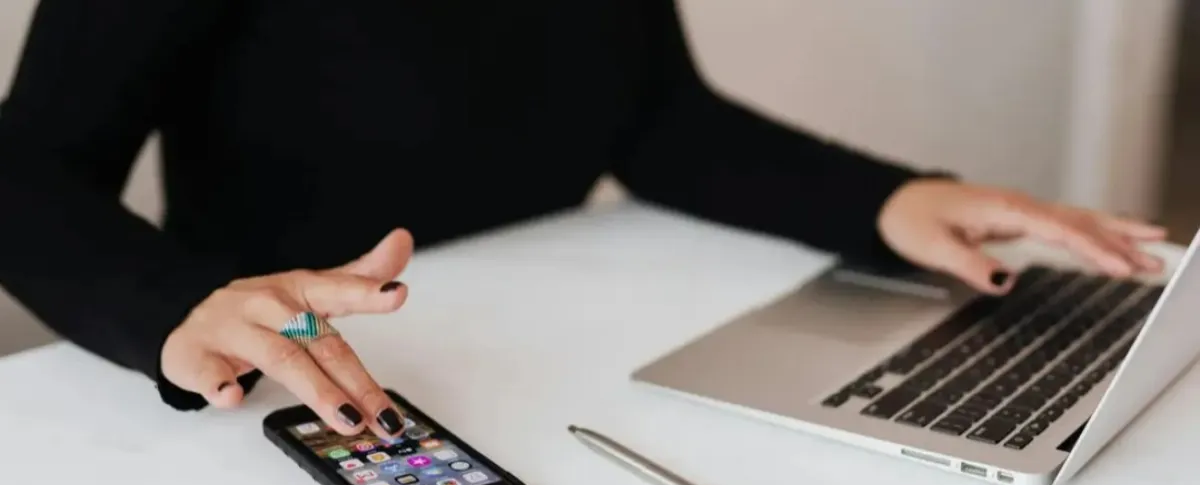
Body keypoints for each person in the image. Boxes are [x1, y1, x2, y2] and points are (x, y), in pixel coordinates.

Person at [0, 0, 1165, 440]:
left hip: (570, 377)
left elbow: (654, 118)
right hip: (299, 402)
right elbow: (24, 176)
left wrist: (891, 200)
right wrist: (178, 310)